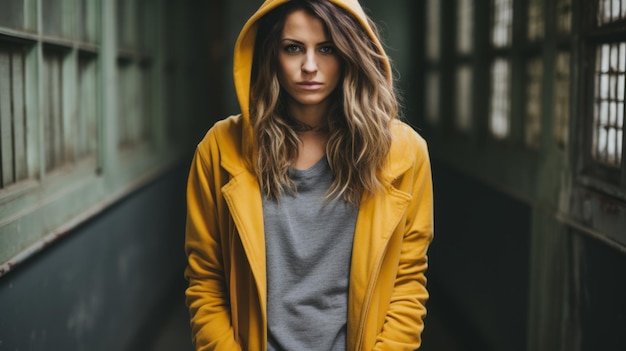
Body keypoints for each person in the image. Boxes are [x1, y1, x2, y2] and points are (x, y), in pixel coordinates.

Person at [184, 0, 434, 350]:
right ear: (271, 54)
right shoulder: (219, 150)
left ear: (351, 52)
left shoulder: (404, 154)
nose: (310, 66)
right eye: (293, 48)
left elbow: (407, 283)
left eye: (327, 48)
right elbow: (206, 279)